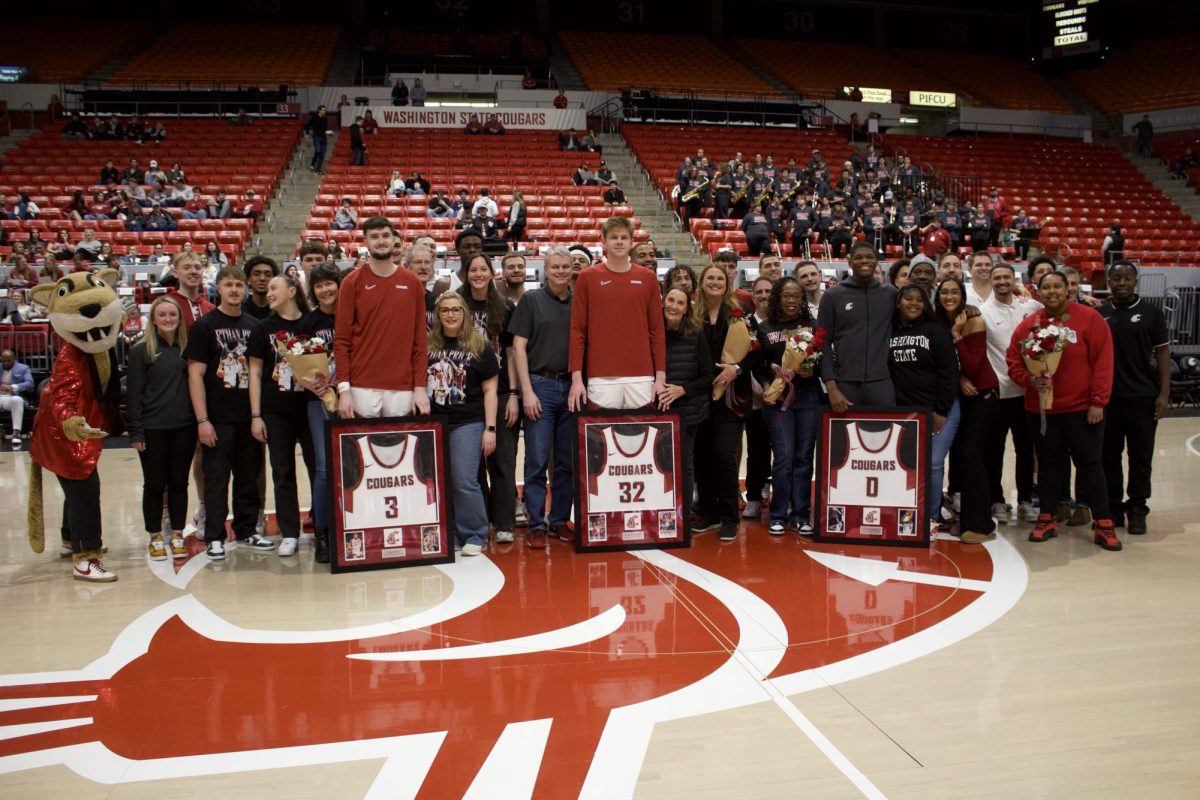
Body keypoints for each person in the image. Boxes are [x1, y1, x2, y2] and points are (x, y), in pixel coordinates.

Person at [1006, 270, 1119, 551]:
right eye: (1047, 287)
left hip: (1082, 408)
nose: (1053, 291)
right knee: (1047, 465)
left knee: (1091, 464)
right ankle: (1047, 517)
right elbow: (1014, 361)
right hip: (1042, 409)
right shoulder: (1028, 326)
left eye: (1059, 286)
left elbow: (1103, 361)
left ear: (1068, 288)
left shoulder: (1090, 318)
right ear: (1038, 292)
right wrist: (1029, 380)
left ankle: (1103, 522)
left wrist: (1098, 401)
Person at [184, 266, 272, 560]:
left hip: (249, 415)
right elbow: (195, 375)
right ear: (218, 289)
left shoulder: (254, 325)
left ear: (245, 289)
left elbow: (259, 373)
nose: (234, 290)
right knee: (217, 478)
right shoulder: (205, 326)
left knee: (249, 476)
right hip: (217, 417)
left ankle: (247, 529)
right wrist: (202, 420)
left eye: (238, 285)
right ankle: (215, 535)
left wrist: (259, 414)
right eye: (228, 285)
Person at [509, 247, 574, 548]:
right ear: (545, 270)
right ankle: (536, 522)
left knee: (566, 461)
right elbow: (518, 348)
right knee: (536, 459)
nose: (561, 271)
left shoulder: (579, 302)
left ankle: (559, 519)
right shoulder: (531, 300)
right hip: (540, 385)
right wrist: (527, 392)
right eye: (555, 267)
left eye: (566, 266)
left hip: (570, 385)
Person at [1100, 261, 1171, 535]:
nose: (1121, 282)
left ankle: (1138, 509)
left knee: (1140, 457)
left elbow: (1163, 354)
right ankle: (1114, 508)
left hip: (1143, 397)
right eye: (1116, 278)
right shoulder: (1101, 314)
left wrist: (1164, 394)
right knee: (1109, 457)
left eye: (1126, 278)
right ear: (1109, 281)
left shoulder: (1152, 313)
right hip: (1109, 399)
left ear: (1135, 280)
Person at [335, 217, 430, 419]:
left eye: (385, 235)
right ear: (366, 242)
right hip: (362, 384)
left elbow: (420, 340)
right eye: (374, 237)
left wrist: (420, 387)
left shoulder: (412, 282)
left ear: (394, 240)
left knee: (397, 449)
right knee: (363, 450)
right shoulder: (351, 282)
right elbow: (342, 340)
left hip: (402, 385)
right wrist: (344, 390)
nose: (381, 241)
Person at [568, 217, 666, 411]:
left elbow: (657, 331)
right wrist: (576, 378)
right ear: (603, 242)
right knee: (602, 440)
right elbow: (578, 330)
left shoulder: (648, 278)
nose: (619, 241)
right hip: (601, 376)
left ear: (631, 242)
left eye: (624, 237)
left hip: (642, 375)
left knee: (642, 439)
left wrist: (660, 376)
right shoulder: (587, 278)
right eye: (613, 237)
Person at [249, 274, 316, 558]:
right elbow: (254, 373)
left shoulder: (311, 324)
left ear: (291, 291)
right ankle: (290, 532)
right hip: (276, 410)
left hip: (311, 407)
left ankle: (323, 527)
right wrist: (256, 415)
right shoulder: (261, 328)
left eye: (274, 287)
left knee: (318, 469)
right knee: (282, 471)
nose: (268, 292)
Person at [427, 290, 498, 556]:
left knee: (464, 478)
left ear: (464, 313)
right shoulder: (427, 344)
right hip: (435, 423)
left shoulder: (480, 346)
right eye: (445, 310)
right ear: (438, 315)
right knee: (440, 480)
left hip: (467, 421)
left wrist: (490, 429)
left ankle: (475, 534)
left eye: (456, 309)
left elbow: (491, 390)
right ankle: (452, 531)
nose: (451, 314)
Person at [127, 297, 195, 561]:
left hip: (184, 427)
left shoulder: (186, 348)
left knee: (179, 483)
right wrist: (136, 432)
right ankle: (155, 535)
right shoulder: (141, 350)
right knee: (154, 484)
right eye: (162, 315)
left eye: (172, 314)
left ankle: (177, 532)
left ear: (179, 318)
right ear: (153, 319)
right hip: (153, 428)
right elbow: (134, 394)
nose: (168, 319)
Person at [458, 252, 519, 544]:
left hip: (502, 390)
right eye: (473, 270)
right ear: (465, 273)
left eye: (483, 269)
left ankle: (504, 522)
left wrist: (515, 394)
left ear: (491, 272)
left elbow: (510, 353)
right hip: (469, 393)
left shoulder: (505, 306)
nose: (478, 274)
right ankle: (480, 517)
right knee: (474, 464)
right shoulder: (456, 304)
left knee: (504, 460)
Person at [693, 263, 755, 541]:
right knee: (702, 456)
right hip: (700, 396)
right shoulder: (693, 314)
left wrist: (737, 369)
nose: (715, 282)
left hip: (730, 396)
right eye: (710, 278)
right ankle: (710, 513)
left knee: (723, 455)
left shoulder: (741, 314)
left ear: (727, 283)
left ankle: (730, 516)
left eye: (720, 278)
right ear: (702, 283)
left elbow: (758, 350)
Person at [889, 285, 960, 528]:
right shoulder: (890, 331)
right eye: (907, 299)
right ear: (898, 302)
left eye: (919, 300)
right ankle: (910, 510)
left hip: (940, 409)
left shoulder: (936, 330)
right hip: (907, 412)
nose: (913, 304)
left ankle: (931, 515)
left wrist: (940, 410)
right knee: (907, 463)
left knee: (933, 463)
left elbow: (950, 373)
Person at [976, 262, 1041, 524]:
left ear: (1014, 280)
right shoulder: (983, 313)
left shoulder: (1030, 308)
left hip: (1026, 393)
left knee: (1026, 450)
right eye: (997, 278)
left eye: (1007, 277)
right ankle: (997, 500)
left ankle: (1025, 499)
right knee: (995, 451)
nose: (1002, 282)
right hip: (999, 393)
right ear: (991, 281)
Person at [934, 277, 997, 543]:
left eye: (954, 292)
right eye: (944, 292)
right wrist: (958, 379)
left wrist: (957, 337)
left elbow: (972, 366)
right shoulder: (939, 323)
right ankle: (966, 518)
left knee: (973, 456)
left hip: (982, 394)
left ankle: (982, 524)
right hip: (961, 395)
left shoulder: (973, 320)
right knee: (961, 458)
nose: (949, 296)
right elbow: (954, 370)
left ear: (963, 297)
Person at [755, 277, 820, 535]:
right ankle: (778, 514)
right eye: (787, 295)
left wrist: (810, 371)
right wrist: (766, 385)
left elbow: (819, 359)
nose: (792, 300)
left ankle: (801, 514)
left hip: (808, 397)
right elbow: (759, 365)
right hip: (778, 400)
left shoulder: (811, 326)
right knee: (783, 457)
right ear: (777, 298)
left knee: (803, 456)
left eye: (797, 296)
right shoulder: (765, 327)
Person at [293, 262, 341, 564]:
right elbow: (298, 369)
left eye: (329, 283)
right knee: (324, 468)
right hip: (318, 401)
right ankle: (323, 533)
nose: (325, 289)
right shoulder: (307, 323)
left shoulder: (355, 316)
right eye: (319, 285)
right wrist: (316, 387)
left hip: (353, 397)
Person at [658, 284, 714, 533]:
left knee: (684, 464)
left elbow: (708, 375)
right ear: (662, 301)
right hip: (658, 409)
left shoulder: (696, 332)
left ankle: (682, 518)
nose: (674, 306)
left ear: (686, 309)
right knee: (660, 464)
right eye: (671, 300)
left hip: (688, 410)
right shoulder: (652, 331)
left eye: (680, 303)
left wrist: (683, 390)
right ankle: (660, 512)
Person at [817, 242, 898, 411]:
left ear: (877, 261)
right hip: (845, 384)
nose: (864, 261)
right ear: (849, 262)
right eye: (859, 257)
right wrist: (831, 388)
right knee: (844, 437)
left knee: (885, 435)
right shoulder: (832, 296)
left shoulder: (890, 294)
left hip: (881, 383)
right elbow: (822, 343)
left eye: (869, 257)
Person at [0, 349, 34, 448]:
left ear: (14, 359)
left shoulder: (24, 368)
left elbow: (30, 383)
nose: (6, 363)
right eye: (4, 361)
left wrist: (12, 387)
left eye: (8, 360)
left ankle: (16, 432)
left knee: (17, 400)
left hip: (11, 397)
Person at [307, 105, 329, 173]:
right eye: (323, 110)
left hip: (324, 138)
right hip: (317, 137)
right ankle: (313, 164)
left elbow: (325, 129)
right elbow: (308, 125)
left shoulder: (325, 119)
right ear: (319, 110)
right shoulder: (314, 117)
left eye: (325, 110)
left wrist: (328, 133)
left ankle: (318, 169)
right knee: (318, 151)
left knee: (322, 154)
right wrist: (307, 133)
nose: (324, 111)